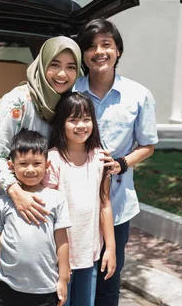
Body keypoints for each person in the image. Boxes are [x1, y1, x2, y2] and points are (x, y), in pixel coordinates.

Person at [0, 36, 83, 306]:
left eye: (71, 66)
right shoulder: (18, 100)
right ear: (41, 64)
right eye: (55, 64)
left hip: (39, 202)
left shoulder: (63, 104)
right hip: (4, 196)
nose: (63, 74)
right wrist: (16, 193)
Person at [74, 18, 158, 306]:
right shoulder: (70, 91)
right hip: (72, 204)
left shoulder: (138, 95)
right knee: (71, 276)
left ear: (118, 50)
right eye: (91, 47)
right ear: (83, 55)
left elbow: (148, 145)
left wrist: (122, 162)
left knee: (109, 279)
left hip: (118, 203)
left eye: (106, 45)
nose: (99, 52)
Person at [0, 129, 71, 306]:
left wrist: (63, 279)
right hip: (9, 289)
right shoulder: (3, 202)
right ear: (11, 166)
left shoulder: (56, 199)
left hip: (46, 289)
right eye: (23, 163)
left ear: (47, 165)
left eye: (37, 163)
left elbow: (62, 241)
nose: (30, 169)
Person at [45, 92, 117, 306]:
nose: (81, 125)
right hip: (58, 256)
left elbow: (105, 205)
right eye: (73, 120)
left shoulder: (101, 159)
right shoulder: (53, 160)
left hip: (89, 253)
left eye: (86, 119)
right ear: (61, 123)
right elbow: (49, 213)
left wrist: (110, 249)